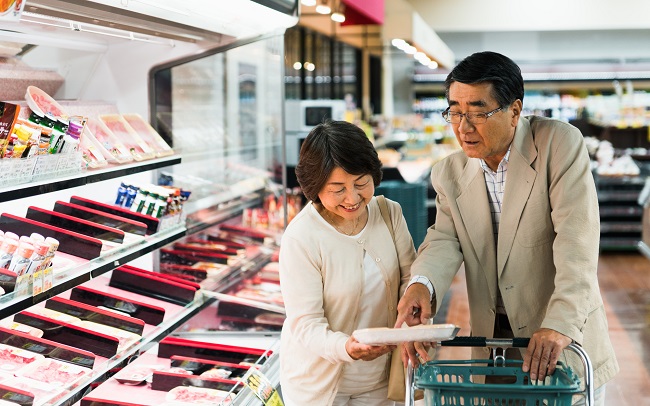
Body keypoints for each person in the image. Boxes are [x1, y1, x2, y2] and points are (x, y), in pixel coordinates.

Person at [395, 51, 619, 405]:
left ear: (514, 111)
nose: (463, 127)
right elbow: (444, 239)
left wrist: (560, 323)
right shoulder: (450, 172)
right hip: (494, 345)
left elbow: (577, 244)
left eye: (478, 112)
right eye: (455, 111)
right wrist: (421, 285)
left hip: (558, 338)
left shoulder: (557, 145)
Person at [279, 120, 417, 406]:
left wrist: (416, 319)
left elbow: (410, 279)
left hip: (381, 381)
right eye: (338, 188)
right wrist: (347, 347)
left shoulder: (389, 214)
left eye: (361, 183)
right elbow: (305, 324)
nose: (353, 198)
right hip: (319, 387)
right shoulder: (301, 237)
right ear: (315, 186)